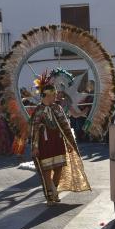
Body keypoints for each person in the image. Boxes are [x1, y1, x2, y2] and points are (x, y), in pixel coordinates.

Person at [30, 71, 91, 205]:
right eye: (54, 94)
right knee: (46, 171)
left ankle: (54, 191)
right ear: (47, 95)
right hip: (44, 144)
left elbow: (65, 126)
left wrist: (69, 142)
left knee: (58, 169)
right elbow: (34, 130)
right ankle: (50, 194)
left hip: (58, 142)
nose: (56, 96)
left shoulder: (58, 108)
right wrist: (34, 147)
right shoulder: (38, 110)